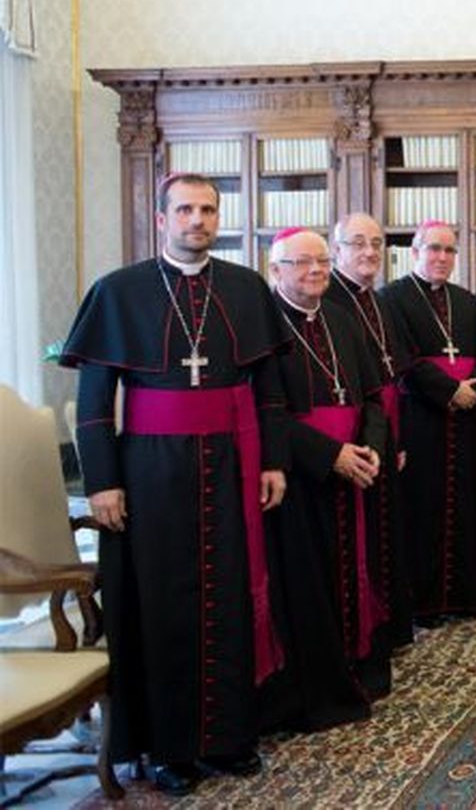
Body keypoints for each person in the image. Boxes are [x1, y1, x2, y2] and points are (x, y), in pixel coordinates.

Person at [61, 174, 289, 795]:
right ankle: (167, 746)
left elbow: (268, 390)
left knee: (229, 595)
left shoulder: (244, 288)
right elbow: (91, 403)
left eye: (208, 209)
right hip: (149, 470)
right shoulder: (118, 291)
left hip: (228, 464)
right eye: (185, 209)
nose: (198, 219)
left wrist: (272, 462)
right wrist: (103, 483)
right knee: (162, 605)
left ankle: (229, 737)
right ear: (162, 218)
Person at [259, 228, 384, 732]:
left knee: (356, 571)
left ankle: (357, 668)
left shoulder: (341, 318)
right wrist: (330, 455)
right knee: (308, 582)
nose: (316, 271)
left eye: (323, 262)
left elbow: (373, 394)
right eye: (302, 262)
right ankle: (319, 687)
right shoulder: (263, 328)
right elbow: (264, 412)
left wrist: (371, 444)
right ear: (276, 270)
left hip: (355, 469)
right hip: (299, 477)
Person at [379, 220, 476, 623]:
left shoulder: (467, 301)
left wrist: (475, 390)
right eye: (434, 249)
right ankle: (425, 601)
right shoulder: (391, 298)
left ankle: (463, 596)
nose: (441, 258)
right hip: (421, 417)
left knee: (464, 503)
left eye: (448, 250)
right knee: (423, 507)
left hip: (465, 419)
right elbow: (402, 357)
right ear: (415, 252)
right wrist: (449, 390)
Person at [326, 211, 414, 650]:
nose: (369, 252)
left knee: (386, 531)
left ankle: (388, 626)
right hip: (351, 435)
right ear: (336, 249)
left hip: (382, 428)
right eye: (358, 243)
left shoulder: (378, 301)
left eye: (377, 244)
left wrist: (393, 440)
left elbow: (391, 377)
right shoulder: (329, 302)